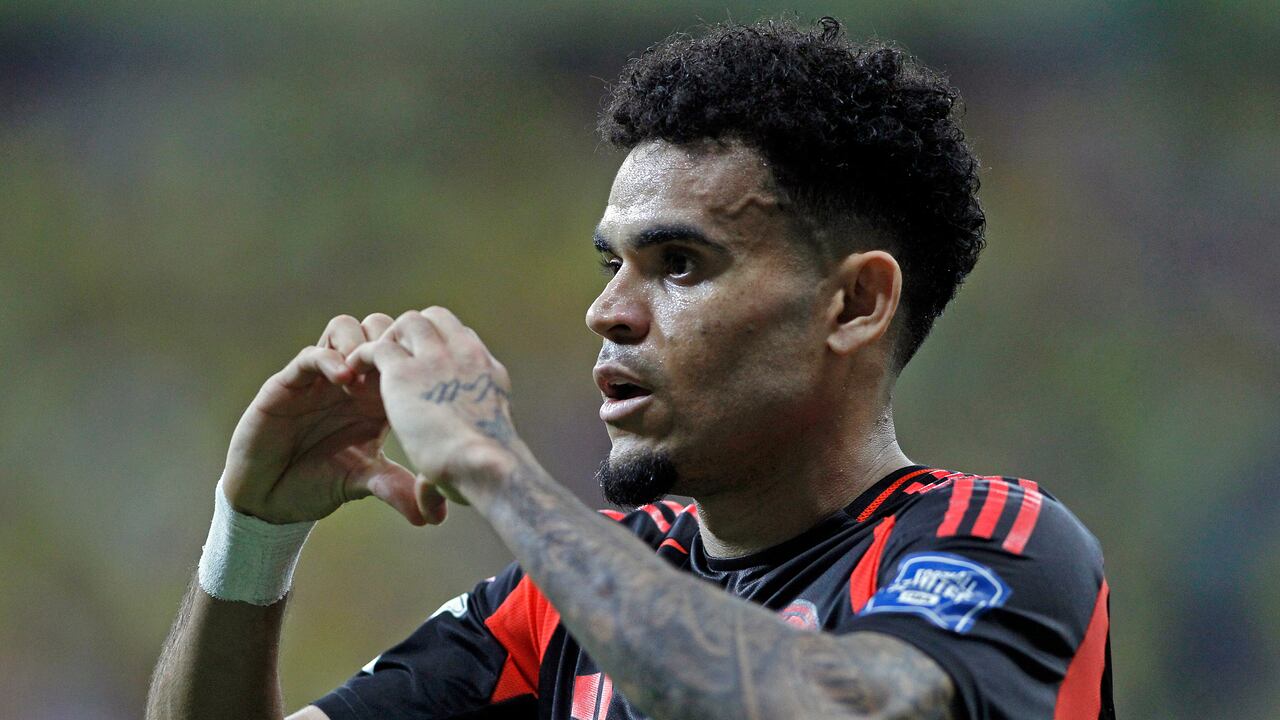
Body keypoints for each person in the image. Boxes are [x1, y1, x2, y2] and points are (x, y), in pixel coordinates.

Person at [146, 17, 1114, 720]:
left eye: (678, 264)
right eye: (613, 263)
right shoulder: (550, 613)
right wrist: (253, 537)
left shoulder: (995, 544)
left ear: (854, 304)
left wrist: (495, 467)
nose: (606, 310)